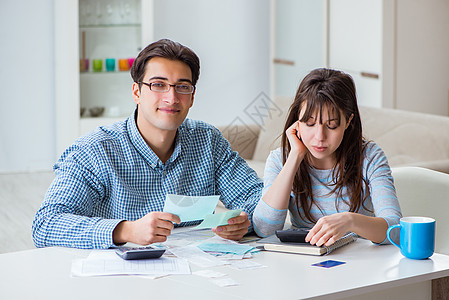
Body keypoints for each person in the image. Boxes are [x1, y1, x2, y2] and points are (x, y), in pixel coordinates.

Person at [32, 39, 263, 249]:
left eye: (182, 87)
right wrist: (126, 230)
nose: (171, 98)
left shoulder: (208, 141)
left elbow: (257, 197)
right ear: (137, 92)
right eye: (158, 84)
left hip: (199, 275)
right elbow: (46, 224)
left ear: (192, 96)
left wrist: (244, 222)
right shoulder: (94, 151)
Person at [252, 68, 402, 246]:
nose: (319, 137)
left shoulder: (370, 157)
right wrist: (295, 157)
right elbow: (263, 229)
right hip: (303, 262)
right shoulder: (281, 159)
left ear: (348, 121)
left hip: (358, 262)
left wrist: (349, 221)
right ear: (297, 122)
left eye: (331, 126)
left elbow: (397, 231)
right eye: (309, 124)